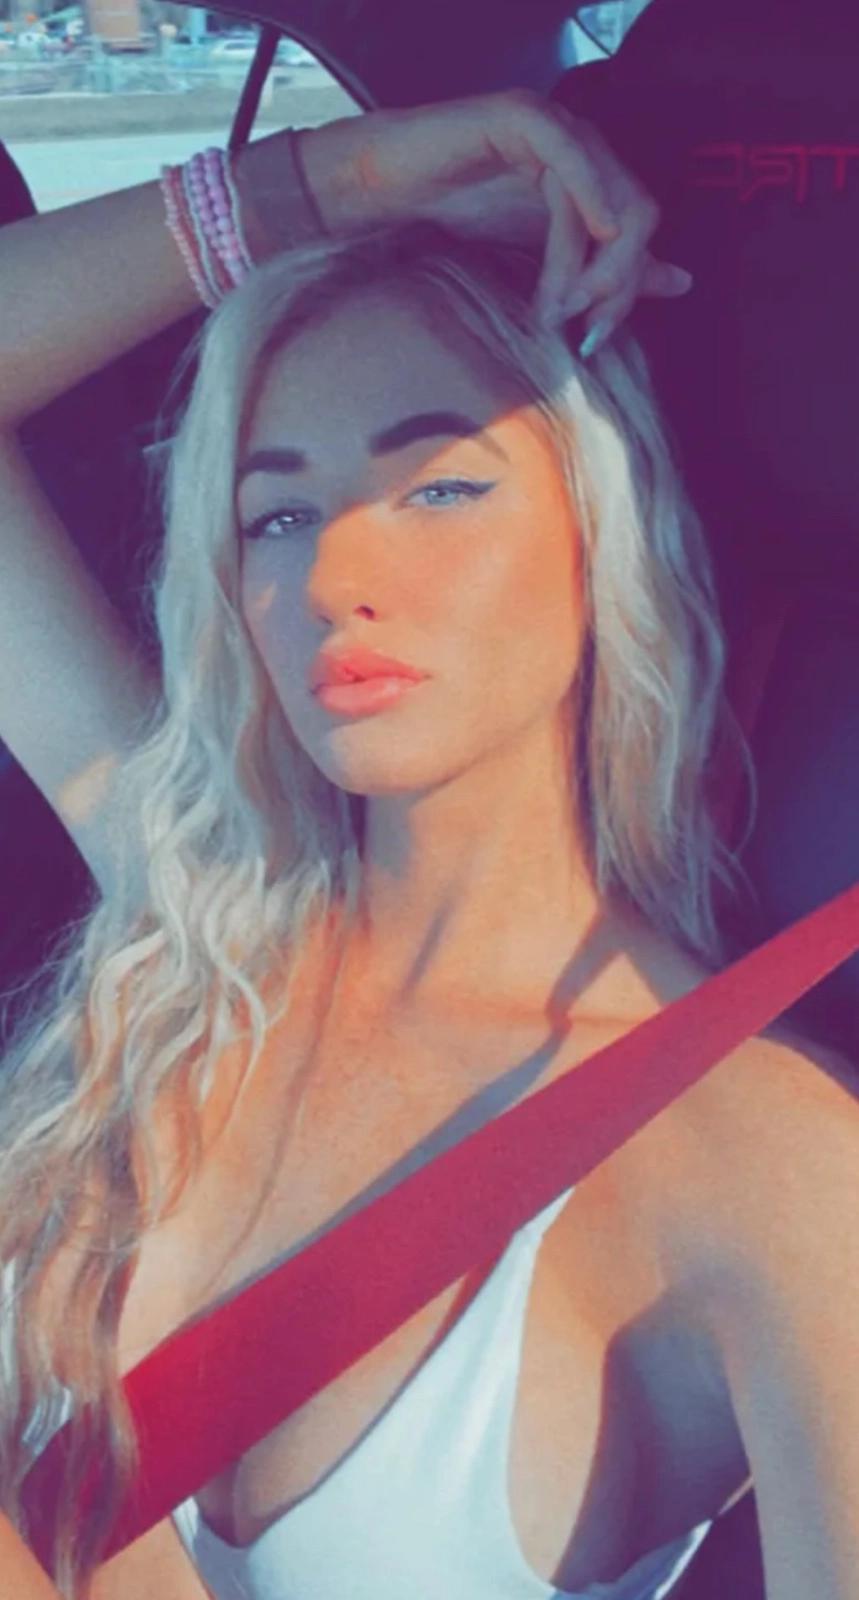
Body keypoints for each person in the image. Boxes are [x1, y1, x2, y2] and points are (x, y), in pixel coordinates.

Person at [0, 94, 856, 1600]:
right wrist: (333, 182)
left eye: (439, 486)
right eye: (276, 518)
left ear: (607, 529)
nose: (338, 572)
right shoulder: (190, 923)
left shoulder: (764, 1161)